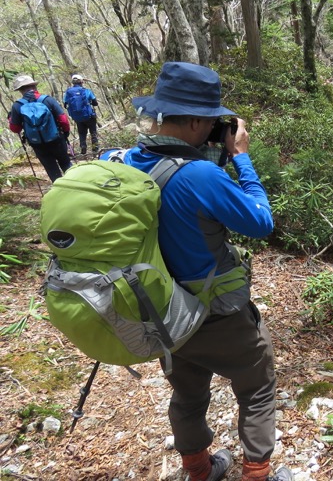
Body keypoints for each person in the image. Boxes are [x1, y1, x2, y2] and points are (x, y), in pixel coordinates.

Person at [102, 62, 292, 481]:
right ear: (193, 121)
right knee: (257, 387)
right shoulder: (202, 175)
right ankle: (257, 473)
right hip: (217, 314)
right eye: (209, 121)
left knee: (187, 395)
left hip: (161, 310)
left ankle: (199, 469)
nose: (213, 129)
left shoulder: (119, 163)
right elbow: (260, 221)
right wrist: (241, 159)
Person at [7, 74, 72, 182]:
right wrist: (65, 133)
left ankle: (62, 191)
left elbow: (15, 129)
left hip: (37, 144)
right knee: (66, 164)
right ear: (34, 86)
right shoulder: (47, 100)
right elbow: (63, 119)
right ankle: (79, 187)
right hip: (56, 139)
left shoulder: (17, 106)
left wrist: (11, 119)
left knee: (51, 169)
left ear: (20, 90)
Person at [63, 74, 99, 154]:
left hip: (78, 118)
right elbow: (95, 103)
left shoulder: (68, 93)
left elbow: (65, 105)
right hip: (89, 116)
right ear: (81, 81)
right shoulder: (86, 91)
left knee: (82, 133)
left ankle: (83, 146)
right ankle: (95, 149)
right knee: (93, 132)